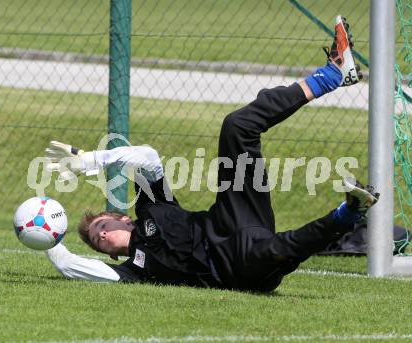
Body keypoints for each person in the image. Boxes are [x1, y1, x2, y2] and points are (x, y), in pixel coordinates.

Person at [44, 16, 379, 292]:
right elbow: (70, 265)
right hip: (233, 266)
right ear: (109, 255)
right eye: (96, 241)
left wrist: (92, 160)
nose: (101, 234)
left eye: (101, 224)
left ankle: (332, 75)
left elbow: (146, 156)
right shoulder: (135, 271)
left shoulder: (152, 205)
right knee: (276, 249)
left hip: (228, 218)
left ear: (122, 217)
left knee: (236, 126)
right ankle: (349, 212)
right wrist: (48, 237)